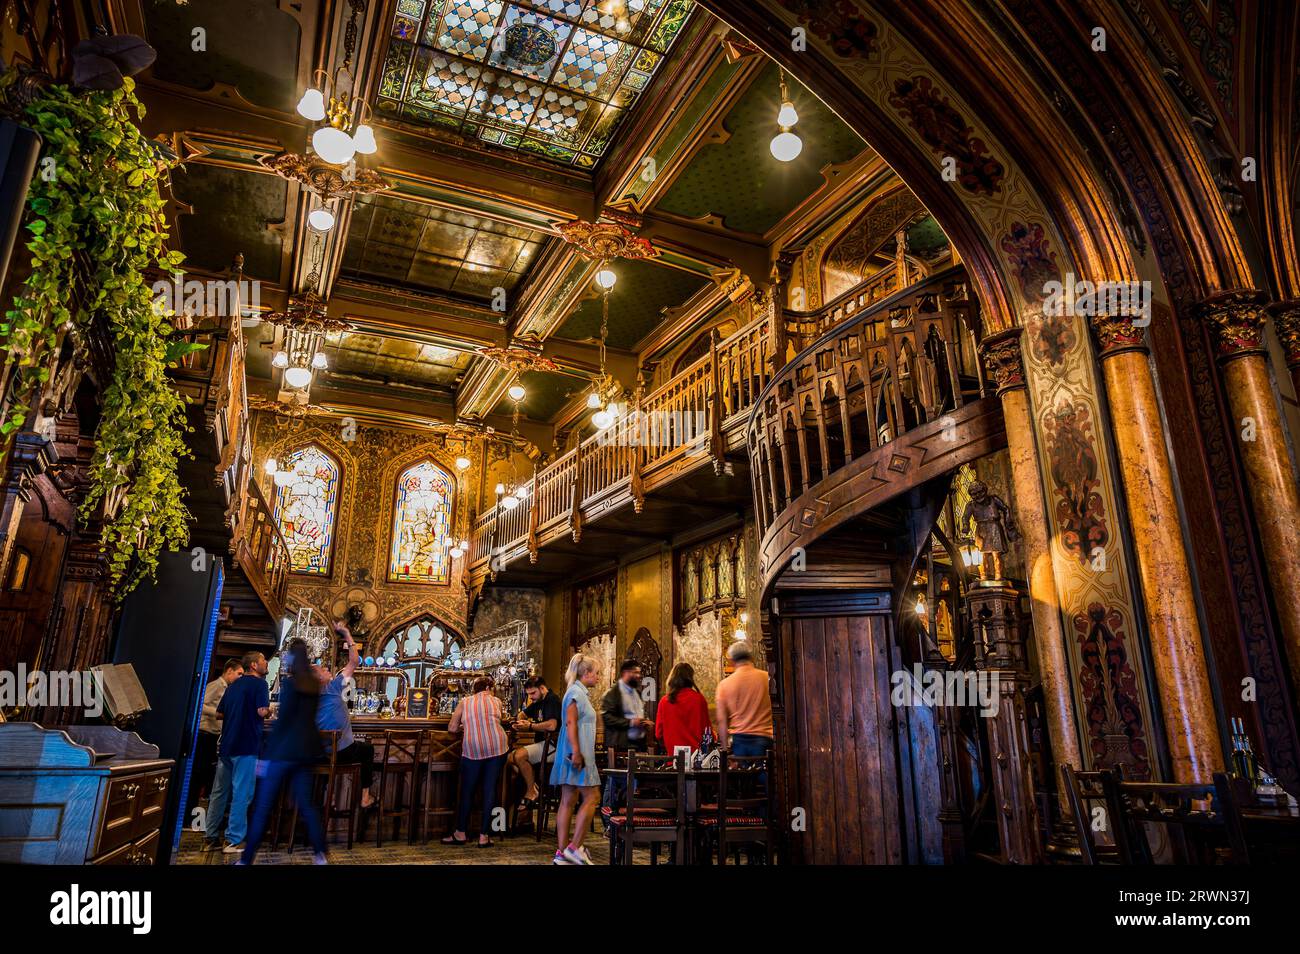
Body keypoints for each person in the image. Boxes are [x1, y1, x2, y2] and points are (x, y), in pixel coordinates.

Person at [239, 638, 328, 864]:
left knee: (263, 807)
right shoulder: (314, 684)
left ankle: (246, 859)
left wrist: (266, 755)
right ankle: (320, 855)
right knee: (308, 806)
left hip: (282, 753)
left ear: (290, 658)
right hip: (306, 752)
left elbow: (284, 721)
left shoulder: (290, 684)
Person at [204, 651, 269, 854]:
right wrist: (271, 711)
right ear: (254, 666)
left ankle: (210, 838)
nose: (265, 663)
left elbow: (220, 713)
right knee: (242, 792)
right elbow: (261, 711)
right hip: (246, 743)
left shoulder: (233, 686)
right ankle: (234, 840)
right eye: (263, 660)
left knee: (219, 792)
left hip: (227, 744)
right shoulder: (260, 685)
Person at [444, 676, 509, 847]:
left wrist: (466, 726)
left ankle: (461, 833)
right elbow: (498, 720)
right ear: (489, 687)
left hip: (473, 748)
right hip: (497, 746)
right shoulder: (497, 701)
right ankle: (484, 836)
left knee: (468, 790)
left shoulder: (464, 702)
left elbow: (451, 728)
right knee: (490, 790)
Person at [316, 620, 376, 809]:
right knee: (367, 750)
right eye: (323, 670)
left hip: (316, 754)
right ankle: (365, 797)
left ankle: (329, 797)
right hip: (340, 753)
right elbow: (354, 661)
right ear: (319, 679)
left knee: (328, 759)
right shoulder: (333, 688)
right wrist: (347, 633)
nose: (327, 669)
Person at [550, 653, 601, 865]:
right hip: (576, 753)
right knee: (593, 797)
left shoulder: (578, 693)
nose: (599, 677)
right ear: (586, 673)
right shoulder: (575, 694)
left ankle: (562, 853)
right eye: (597, 673)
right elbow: (571, 724)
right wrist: (577, 751)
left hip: (573, 751)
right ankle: (574, 848)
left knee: (568, 800)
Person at [600, 659, 653, 817]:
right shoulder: (613, 693)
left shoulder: (635, 693)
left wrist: (644, 721)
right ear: (626, 673)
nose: (638, 676)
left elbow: (637, 714)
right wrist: (630, 722)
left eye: (639, 673)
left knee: (630, 786)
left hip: (636, 745)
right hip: (619, 746)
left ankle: (627, 819)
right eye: (635, 673)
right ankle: (609, 821)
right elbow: (607, 717)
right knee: (614, 784)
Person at [191, 658, 243, 813]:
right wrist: (220, 714)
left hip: (211, 735)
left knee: (206, 774)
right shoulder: (217, 685)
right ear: (229, 671)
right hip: (204, 734)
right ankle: (192, 812)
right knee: (200, 773)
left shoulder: (227, 688)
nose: (241, 677)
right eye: (239, 673)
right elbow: (200, 703)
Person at [715, 641, 774, 758]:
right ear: (751, 657)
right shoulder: (767, 678)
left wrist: (725, 750)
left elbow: (722, 721)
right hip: (765, 738)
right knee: (766, 775)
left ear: (731, 660)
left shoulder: (724, 685)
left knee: (743, 776)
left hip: (740, 741)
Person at [510, 676, 561, 804]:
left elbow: (552, 725)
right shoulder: (538, 701)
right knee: (509, 759)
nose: (531, 697)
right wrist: (521, 719)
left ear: (542, 688)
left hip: (554, 746)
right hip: (542, 744)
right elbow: (523, 713)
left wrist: (530, 726)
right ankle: (533, 785)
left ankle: (531, 791)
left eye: (533, 693)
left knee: (519, 756)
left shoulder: (552, 700)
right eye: (528, 694)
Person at [655, 662, 711, 754]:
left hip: (673, 760)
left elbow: (658, 734)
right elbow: (707, 732)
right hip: (696, 760)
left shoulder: (664, 701)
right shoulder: (699, 699)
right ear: (690, 678)